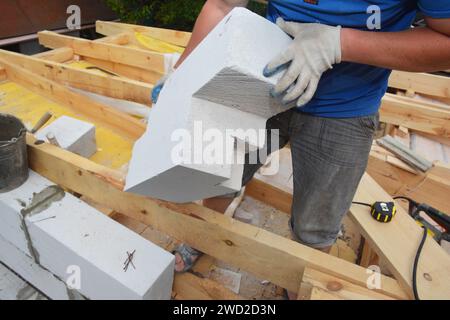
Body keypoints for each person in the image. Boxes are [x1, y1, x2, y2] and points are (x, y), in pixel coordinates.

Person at [151, 0, 450, 279]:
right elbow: (222, 4)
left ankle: (302, 283)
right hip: (261, 82)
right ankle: (200, 237)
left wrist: (340, 44)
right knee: (220, 176)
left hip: (343, 108)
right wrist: (181, 72)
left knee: (314, 227)